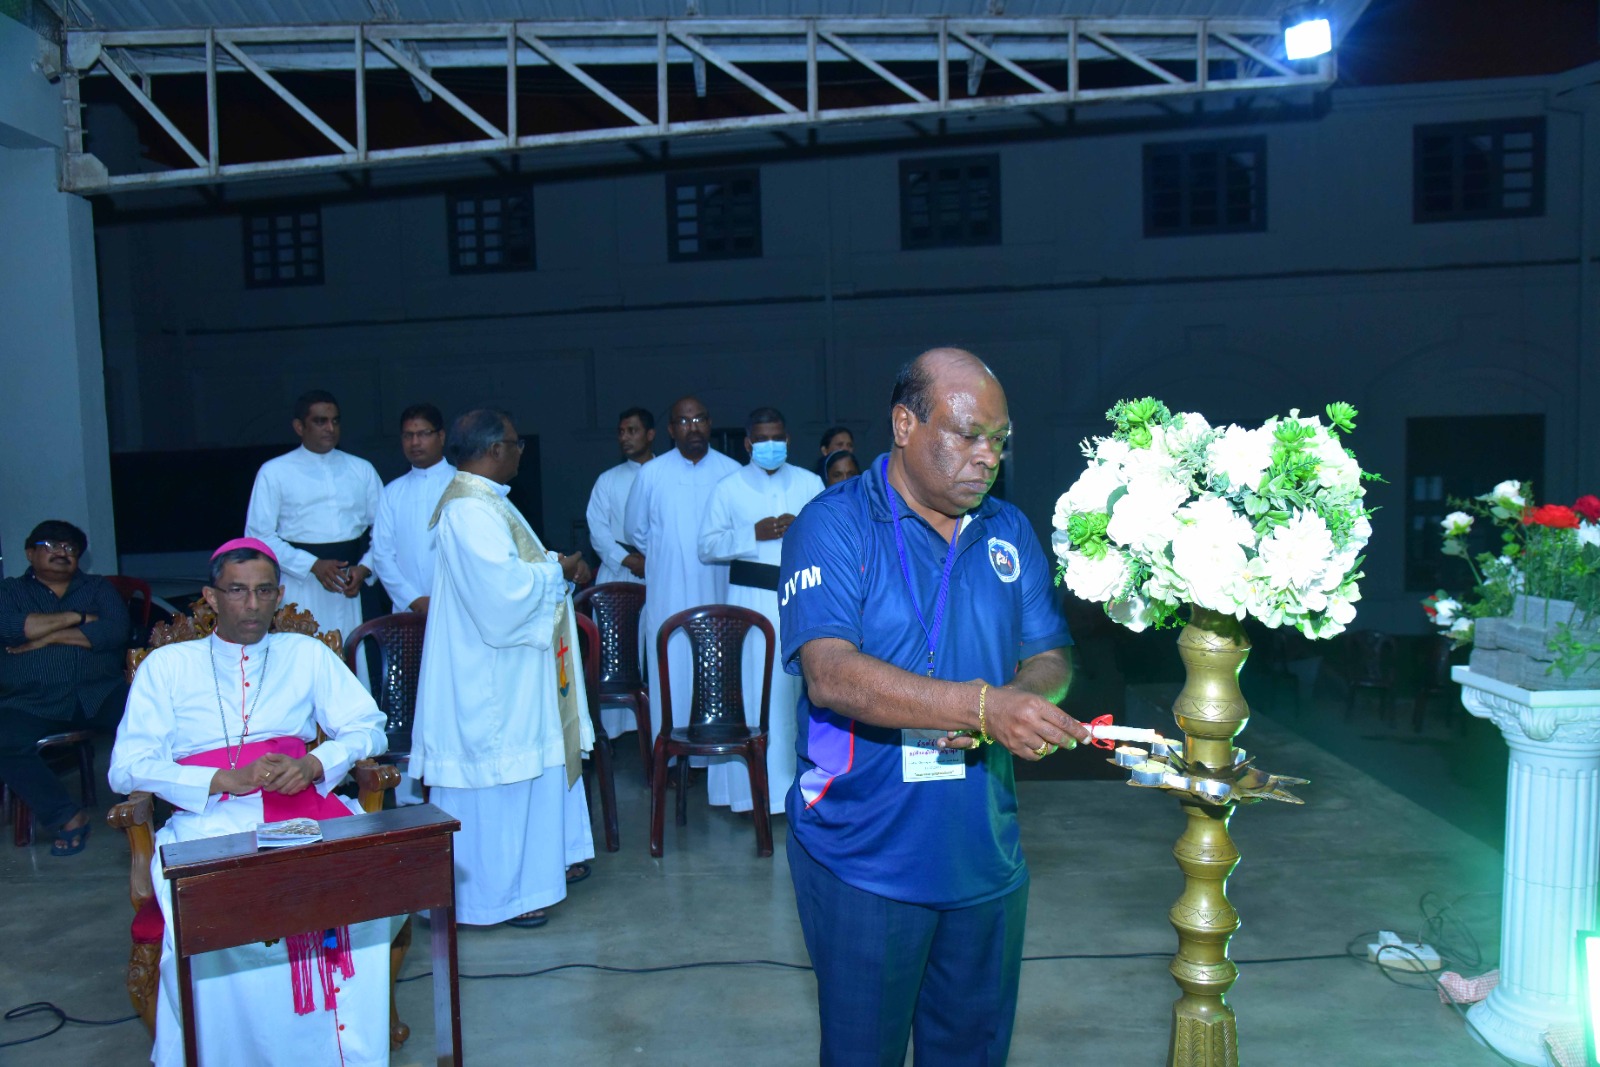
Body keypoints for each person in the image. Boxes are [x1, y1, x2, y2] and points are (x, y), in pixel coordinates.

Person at [778, 349, 1091, 1066]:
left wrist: (1027, 701)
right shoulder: (834, 525)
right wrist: (982, 706)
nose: (988, 457)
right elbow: (830, 674)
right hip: (862, 853)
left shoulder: (1007, 531)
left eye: (1001, 440)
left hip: (984, 852)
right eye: (968, 434)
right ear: (904, 423)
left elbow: (1050, 655)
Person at [109, 538, 392, 1067]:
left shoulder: (305, 654)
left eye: (264, 591)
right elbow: (127, 764)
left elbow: (367, 727)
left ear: (279, 595)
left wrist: (315, 763)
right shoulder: (166, 667)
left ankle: (340, 1054)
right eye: (237, 592)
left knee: (364, 905)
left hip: (303, 809)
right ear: (211, 598)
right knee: (225, 923)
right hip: (207, 821)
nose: (252, 604)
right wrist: (221, 780)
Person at [411, 408, 597, 928]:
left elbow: (513, 572)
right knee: (499, 782)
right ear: (494, 449)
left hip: (513, 671)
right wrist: (556, 570)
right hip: (489, 681)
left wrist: (548, 567)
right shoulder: (469, 511)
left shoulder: (488, 504)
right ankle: (497, 897)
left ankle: (532, 877)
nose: (520, 452)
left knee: (525, 774)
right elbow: (501, 597)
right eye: (516, 444)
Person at [697, 406, 822, 816]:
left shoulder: (809, 482)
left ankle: (800, 793)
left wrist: (802, 526)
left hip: (799, 600)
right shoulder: (728, 487)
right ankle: (750, 795)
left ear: (788, 441)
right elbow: (707, 546)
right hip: (748, 603)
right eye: (762, 440)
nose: (771, 446)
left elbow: (832, 537)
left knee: (799, 696)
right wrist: (752, 533)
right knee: (753, 693)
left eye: (778, 439)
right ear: (749, 443)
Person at [0, 520, 129, 856]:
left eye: (70, 548)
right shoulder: (10, 592)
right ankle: (66, 815)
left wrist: (46, 635)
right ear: (30, 553)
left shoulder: (98, 588)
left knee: (147, 721)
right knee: (4, 739)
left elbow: (115, 632)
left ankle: (138, 809)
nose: (62, 552)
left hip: (99, 693)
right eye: (51, 545)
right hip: (31, 701)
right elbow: (12, 629)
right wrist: (80, 618)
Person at [623, 396, 740, 748]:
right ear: (671, 429)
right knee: (671, 672)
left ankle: (714, 757)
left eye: (700, 419)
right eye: (684, 422)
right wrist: (668, 552)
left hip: (718, 589)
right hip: (668, 593)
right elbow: (635, 531)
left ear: (710, 423)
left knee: (717, 673)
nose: (694, 428)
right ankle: (671, 755)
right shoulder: (651, 474)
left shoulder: (731, 472)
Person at [244, 390, 383, 682]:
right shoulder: (274, 472)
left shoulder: (361, 469)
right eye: (320, 421)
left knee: (354, 667)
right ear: (299, 427)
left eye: (335, 421)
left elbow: (385, 532)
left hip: (350, 585)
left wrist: (365, 567)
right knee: (300, 667)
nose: (330, 428)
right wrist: (311, 565)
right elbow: (259, 537)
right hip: (300, 584)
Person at [370, 402, 455, 615]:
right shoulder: (392, 492)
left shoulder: (462, 483)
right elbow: (382, 554)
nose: (415, 442)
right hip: (407, 610)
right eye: (408, 435)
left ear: (441, 436)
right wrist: (413, 599)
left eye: (423, 434)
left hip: (456, 608)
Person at [586, 407, 655, 587]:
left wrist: (653, 561)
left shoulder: (668, 475)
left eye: (632, 431)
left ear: (650, 434)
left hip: (661, 569)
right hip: (618, 571)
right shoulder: (607, 480)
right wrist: (625, 559)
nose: (624, 438)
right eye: (621, 432)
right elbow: (597, 530)